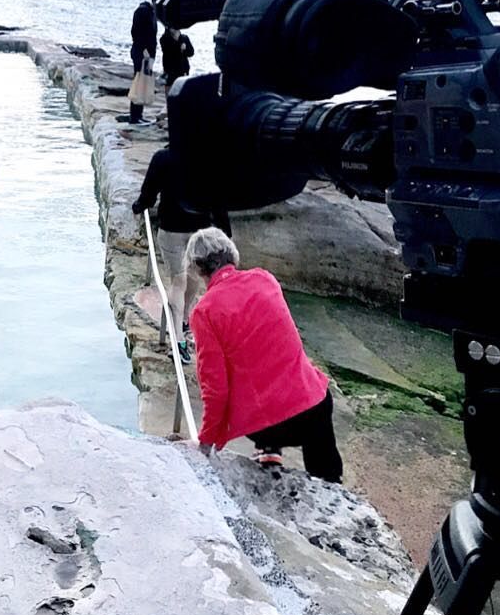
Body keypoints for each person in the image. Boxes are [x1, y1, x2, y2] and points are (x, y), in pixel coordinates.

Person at [184, 227, 343, 482]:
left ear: (198, 268)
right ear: (231, 254)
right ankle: (331, 490)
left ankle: (269, 447)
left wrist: (205, 442)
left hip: (269, 425)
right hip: (316, 406)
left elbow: (215, 388)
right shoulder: (265, 279)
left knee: (255, 384)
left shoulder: (205, 312)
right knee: (327, 475)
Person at [131, 148, 230, 365]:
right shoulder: (210, 158)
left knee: (179, 282)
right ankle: (183, 324)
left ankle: (179, 336)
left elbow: (148, 194)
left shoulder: (163, 158)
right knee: (191, 279)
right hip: (199, 231)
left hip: (173, 229)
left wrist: (138, 206)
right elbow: (219, 199)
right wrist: (225, 232)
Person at [128, 1, 157, 124]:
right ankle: (135, 116)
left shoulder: (147, 12)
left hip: (144, 53)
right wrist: (144, 49)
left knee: (142, 83)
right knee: (139, 83)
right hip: (142, 53)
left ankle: (138, 114)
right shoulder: (144, 12)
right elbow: (138, 32)